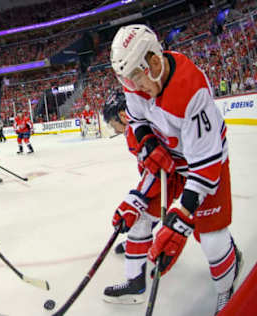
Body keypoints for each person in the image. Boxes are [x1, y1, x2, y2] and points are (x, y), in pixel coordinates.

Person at [110, 24, 242, 314]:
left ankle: (226, 287)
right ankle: (135, 281)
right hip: (170, 164)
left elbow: (206, 168)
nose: (137, 89)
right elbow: (137, 120)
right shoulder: (135, 78)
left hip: (205, 165)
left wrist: (180, 220)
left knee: (211, 238)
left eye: (139, 81)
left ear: (154, 62)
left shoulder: (191, 90)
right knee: (141, 218)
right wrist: (148, 144)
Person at [101, 91, 186, 304]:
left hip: (175, 176)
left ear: (122, 115)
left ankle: (135, 282)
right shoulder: (139, 123)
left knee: (140, 220)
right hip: (177, 173)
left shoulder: (134, 130)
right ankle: (141, 245)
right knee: (146, 213)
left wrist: (135, 201)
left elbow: (158, 170)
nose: (113, 128)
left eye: (112, 122)